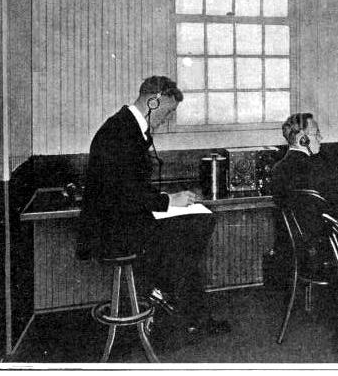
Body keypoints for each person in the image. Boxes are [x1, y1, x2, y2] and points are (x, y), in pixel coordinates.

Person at [78, 76, 229, 346]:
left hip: (119, 223)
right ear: (153, 101)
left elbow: (129, 187)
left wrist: (167, 200)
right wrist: (168, 201)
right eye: (167, 112)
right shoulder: (121, 133)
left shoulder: (125, 127)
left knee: (195, 229)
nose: (166, 119)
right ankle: (170, 300)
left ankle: (169, 297)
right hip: (113, 233)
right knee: (199, 225)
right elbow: (125, 194)